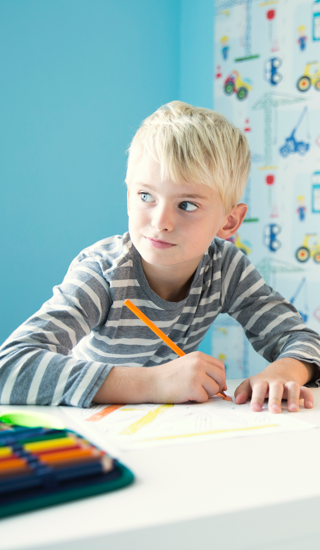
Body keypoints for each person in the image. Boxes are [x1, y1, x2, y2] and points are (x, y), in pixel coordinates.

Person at [0, 101, 320, 413]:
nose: (160, 222)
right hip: (95, 430)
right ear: (129, 198)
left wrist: (285, 372)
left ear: (229, 221)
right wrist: (153, 383)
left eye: (187, 205)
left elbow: (302, 340)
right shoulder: (103, 271)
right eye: (146, 196)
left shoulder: (225, 268)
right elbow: (9, 367)